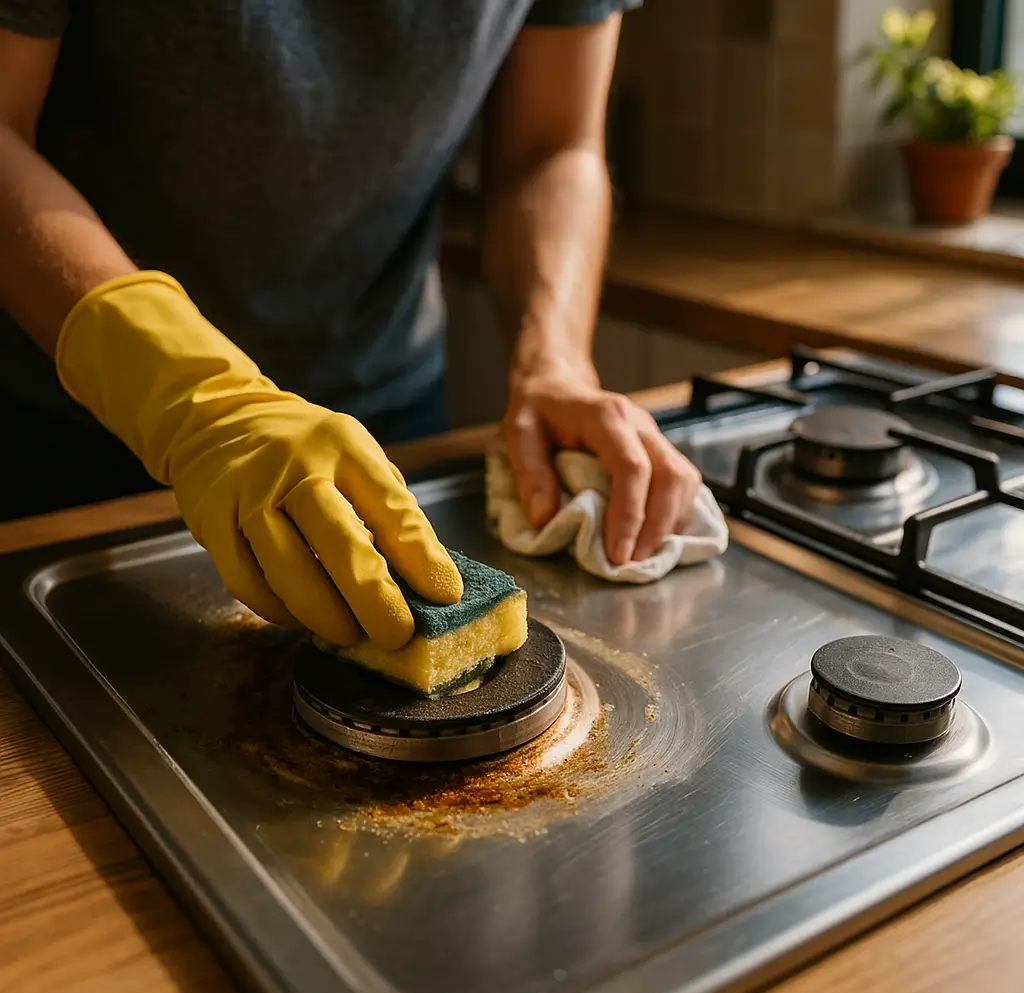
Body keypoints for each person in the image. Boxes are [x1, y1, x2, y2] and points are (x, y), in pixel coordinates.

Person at [0, 2, 702, 650]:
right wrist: (202, 401)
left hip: (389, 417)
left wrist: (555, 360)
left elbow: (552, 146)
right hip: (78, 426)